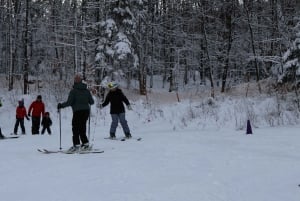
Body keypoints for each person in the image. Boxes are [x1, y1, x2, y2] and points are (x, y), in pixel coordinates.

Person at [57, 74, 94, 152]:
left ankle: (76, 145)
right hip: (86, 111)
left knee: (76, 128)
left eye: (75, 79)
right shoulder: (86, 90)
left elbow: (69, 102)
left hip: (77, 112)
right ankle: (85, 144)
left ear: (76, 81)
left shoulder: (73, 91)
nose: (75, 80)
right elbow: (92, 102)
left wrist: (61, 105)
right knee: (82, 127)